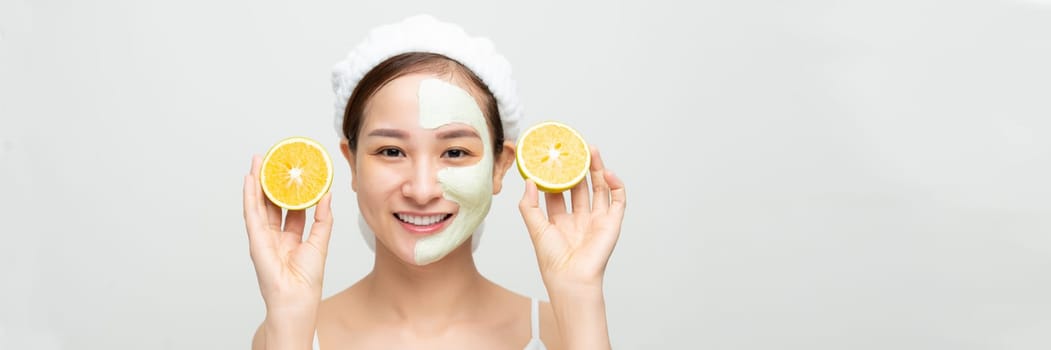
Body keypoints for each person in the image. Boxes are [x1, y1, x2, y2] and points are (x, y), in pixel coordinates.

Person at [242, 14, 626, 350]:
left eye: (455, 153)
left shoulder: (565, 334)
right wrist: (289, 312)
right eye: (391, 152)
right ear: (353, 165)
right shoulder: (291, 333)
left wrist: (580, 296)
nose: (422, 190)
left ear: (500, 167)